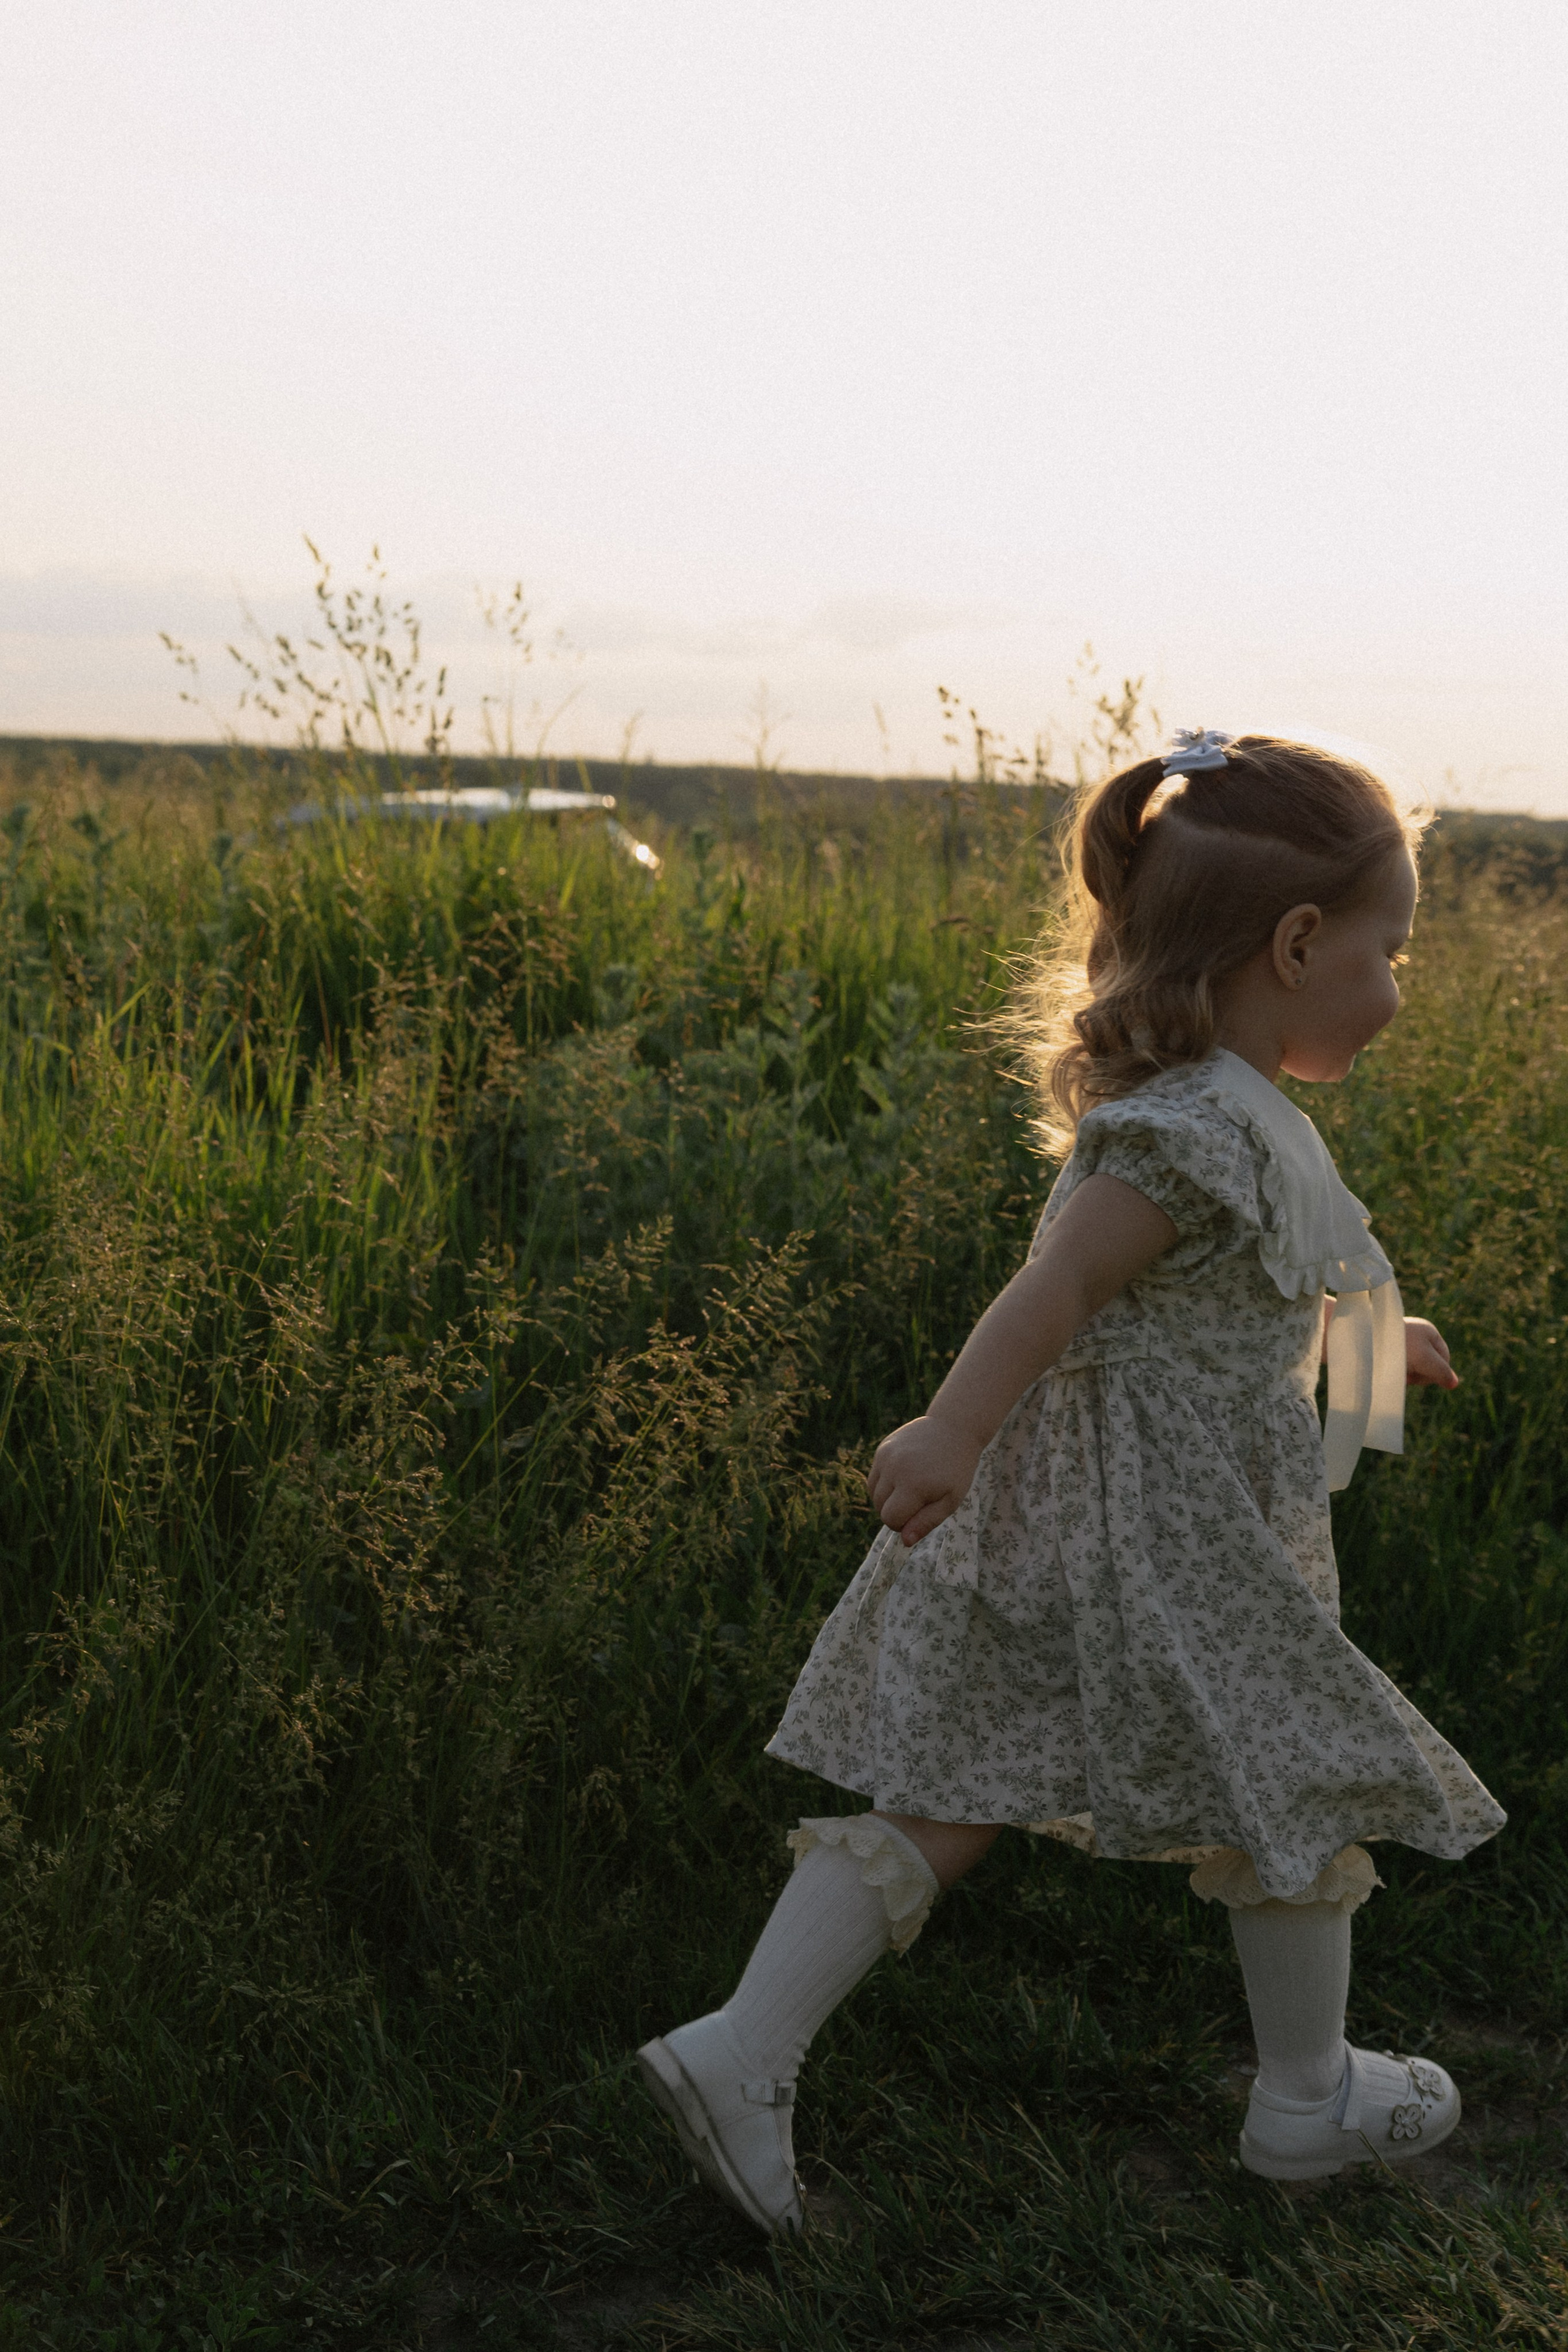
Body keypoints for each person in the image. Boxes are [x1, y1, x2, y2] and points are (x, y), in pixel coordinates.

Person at [637, 729, 1506, 2230]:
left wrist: (1374, 1333)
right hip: (1158, 1535)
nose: (1393, 990)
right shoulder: (1175, 1134)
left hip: (1121, 1523)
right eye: (1389, 957)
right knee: (1289, 1764)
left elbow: (1231, 1291)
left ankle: (742, 2048)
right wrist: (950, 1431)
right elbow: (1051, 1298)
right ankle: (1306, 2098)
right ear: (1295, 946)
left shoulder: (1224, 1115)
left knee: (955, 1789)